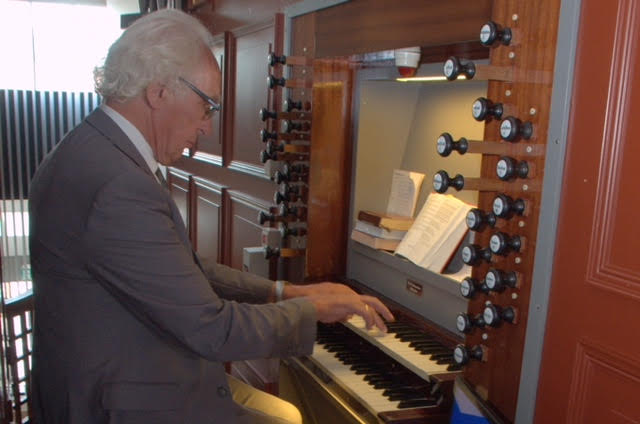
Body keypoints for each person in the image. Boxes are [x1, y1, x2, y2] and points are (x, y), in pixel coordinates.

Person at [28, 8, 393, 424]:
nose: (207, 126)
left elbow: (183, 269)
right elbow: (213, 330)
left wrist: (287, 294)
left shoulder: (90, 147)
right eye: (207, 106)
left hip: (111, 374)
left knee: (285, 415)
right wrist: (315, 311)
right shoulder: (118, 184)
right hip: (120, 401)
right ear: (159, 90)